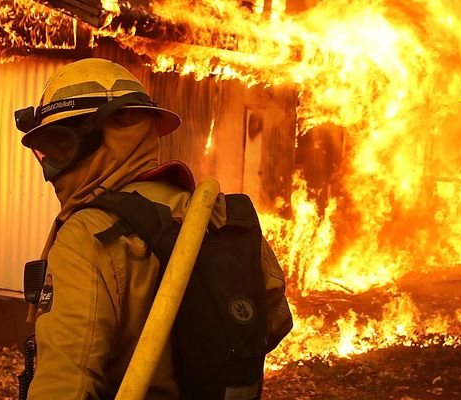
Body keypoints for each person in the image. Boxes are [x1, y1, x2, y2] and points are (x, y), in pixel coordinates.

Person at [15, 58, 292, 400]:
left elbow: (65, 383)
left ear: (108, 136)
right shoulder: (217, 214)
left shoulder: (87, 234)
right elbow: (274, 322)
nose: (52, 168)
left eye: (58, 146)